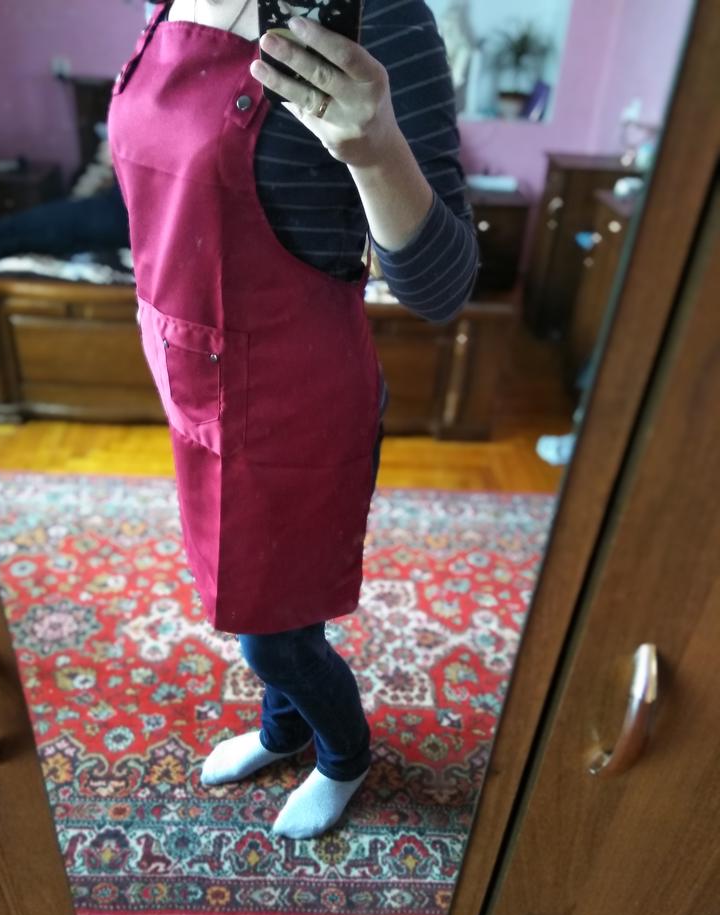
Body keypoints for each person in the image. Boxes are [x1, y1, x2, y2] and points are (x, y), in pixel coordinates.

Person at [108, 0, 479, 839]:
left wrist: (374, 148)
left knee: (273, 634)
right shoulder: (165, 3)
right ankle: (284, 732)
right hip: (195, 371)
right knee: (255, 596)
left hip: (295, 398)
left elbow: (443, 288)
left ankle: (344, 755)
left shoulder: (384, 19)